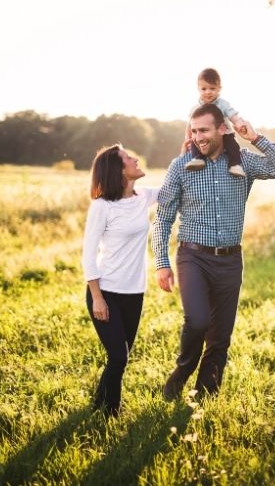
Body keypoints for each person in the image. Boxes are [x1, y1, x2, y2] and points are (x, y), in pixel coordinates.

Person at [152, 103, 275, 401]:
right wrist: (161, 263)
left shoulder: (242, 162)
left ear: (222, 129)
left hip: (231, 260)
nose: (198, 137)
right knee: (198, 321)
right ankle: (182, 372)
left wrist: (255, 137)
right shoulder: (181, 166)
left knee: (220, 336)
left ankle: (205, 397)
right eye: (193, 131)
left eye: (204, 130)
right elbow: (163, 218)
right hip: (193, 256)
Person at [81, 144, 160, 416]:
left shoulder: (144, 197)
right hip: (106, 292)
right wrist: (98, 298)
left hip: (134, 292)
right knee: (118, 356)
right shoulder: (102, 206)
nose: (136, 158)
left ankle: (98, 403)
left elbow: (177, 186)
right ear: (118, 169)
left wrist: (190, 152)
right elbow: (88, 256)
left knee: (120, 359)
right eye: (128, 157)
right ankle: (110, 414)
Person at [184, 68, 247, 178]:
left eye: (212, 88)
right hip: (203, 136)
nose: (208, 92)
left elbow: (232, 115)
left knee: (233, 146)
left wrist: (239, 123)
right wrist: (187, 137)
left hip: (225, 133)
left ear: (219, 89)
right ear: (198, 89)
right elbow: (190, 125)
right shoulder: (196, 108)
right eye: (204, 89)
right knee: (196, 142)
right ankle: (197, 159)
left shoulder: (223, 104)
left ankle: (235, 165)